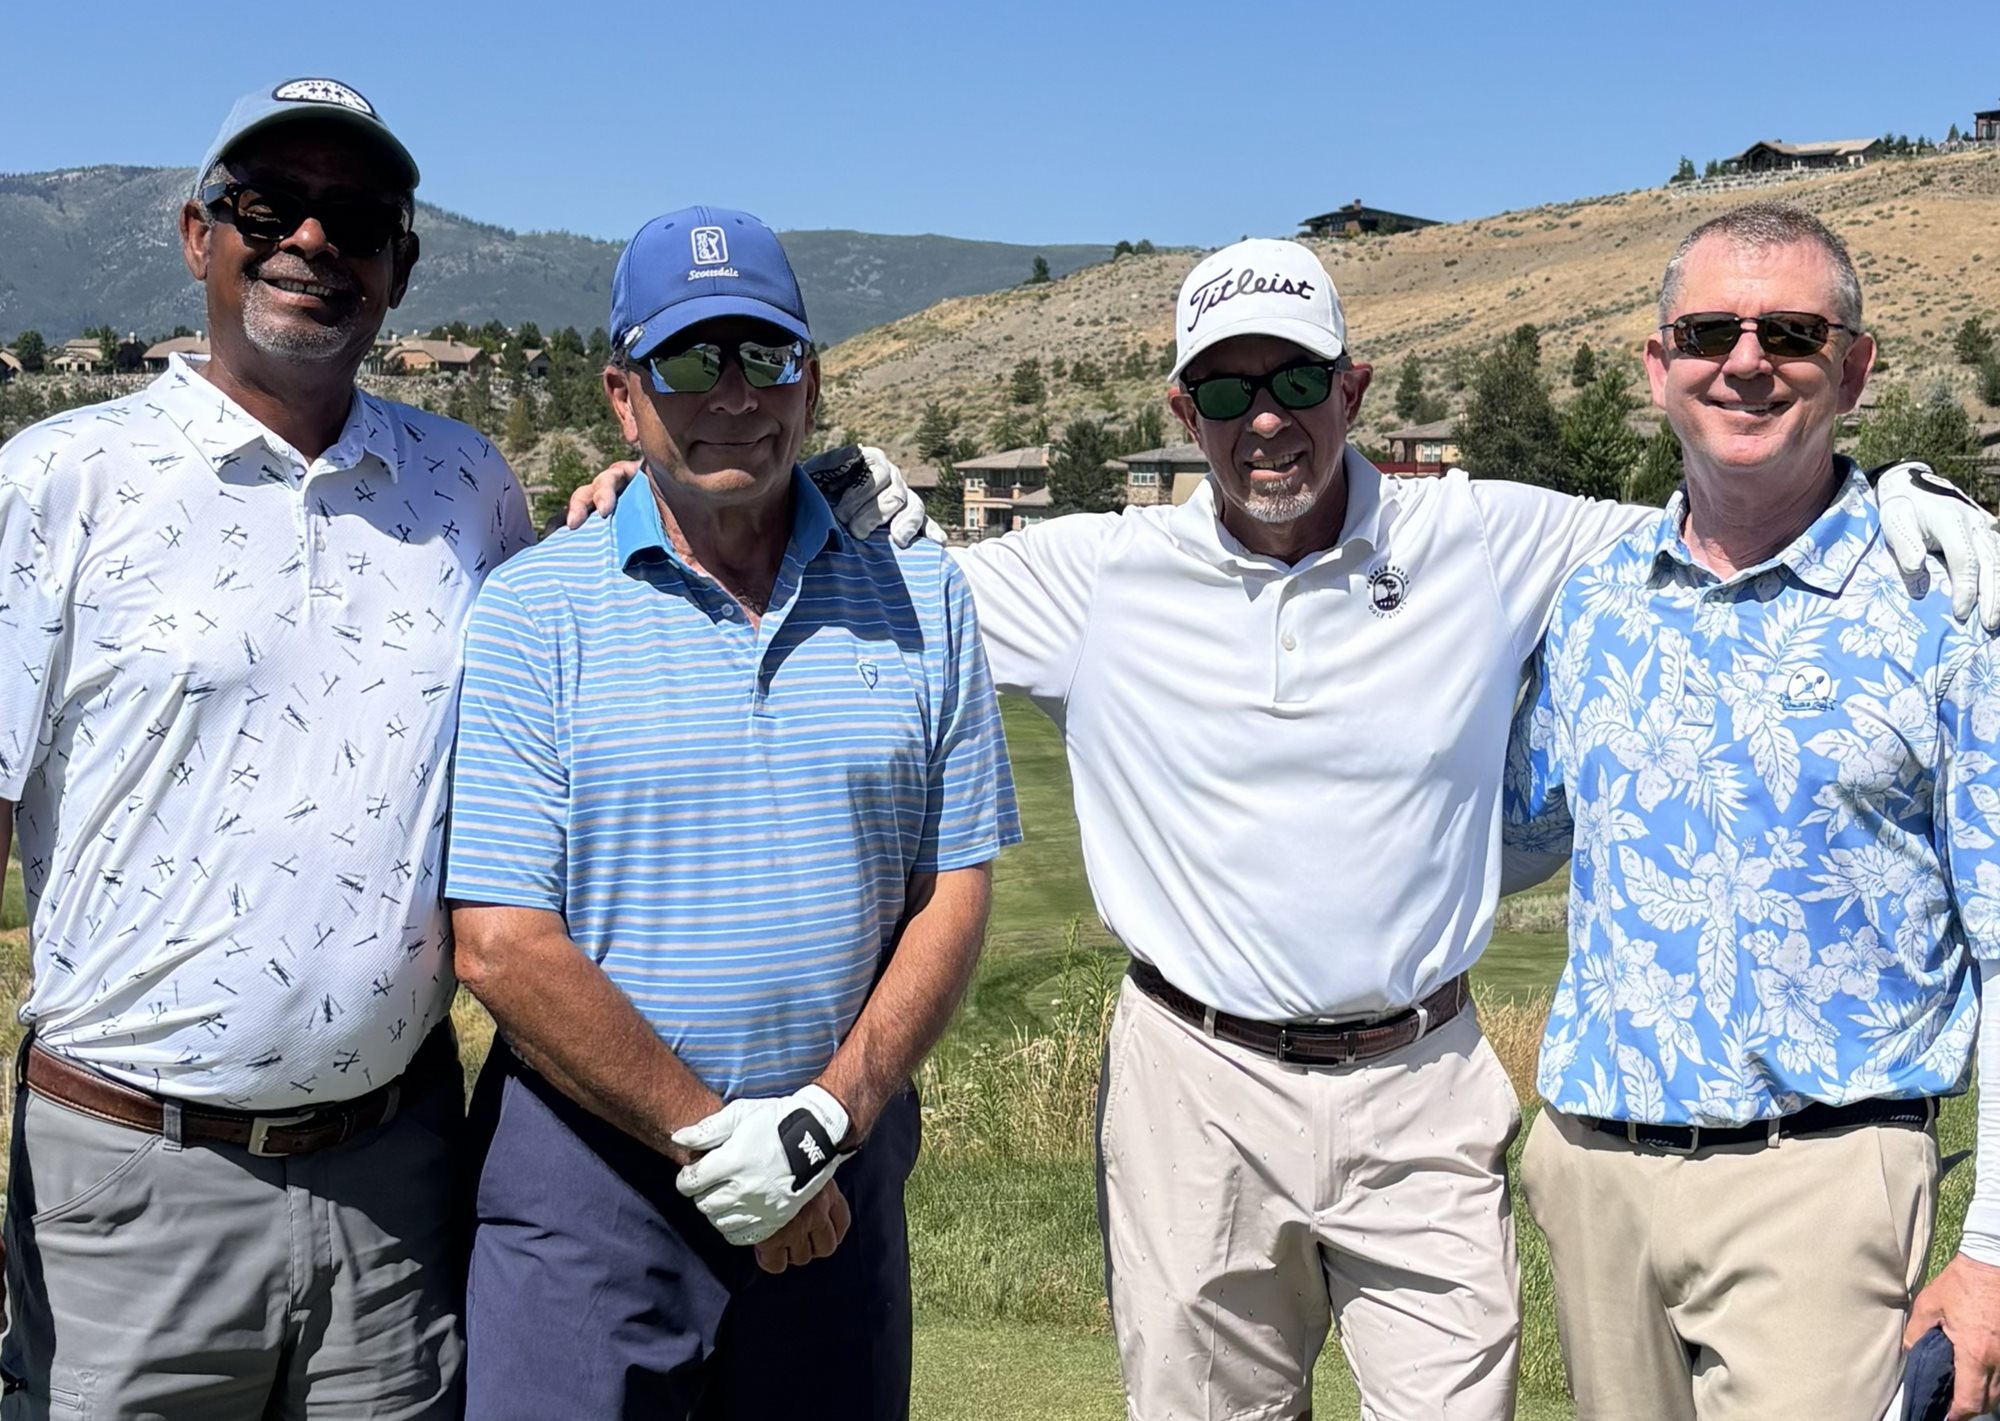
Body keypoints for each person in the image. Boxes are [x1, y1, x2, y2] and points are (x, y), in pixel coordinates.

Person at [570, 232, 2000, 1418]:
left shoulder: (1485, 537)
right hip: (1190, 1083)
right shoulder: (1092, 575)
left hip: (1423, 1079)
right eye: (1226, 387)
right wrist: (656, 490)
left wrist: (1899, 496)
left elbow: (1724, 502)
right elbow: (831, 574)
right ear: (1180, 408)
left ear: (1353, 386)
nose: (1266, 418)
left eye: (1299, 379)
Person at [0, 78, 531, 1417]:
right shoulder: (59, 480)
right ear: (199, 237)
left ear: (400, 267)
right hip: (129, 1182)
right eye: (267, 205)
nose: (310, 239)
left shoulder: (470, 487)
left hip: (395, 1183)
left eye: (355, 219)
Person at [444, 205, 1020, 1420]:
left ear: (810, 382)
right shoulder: (532, 610)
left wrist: (823, 1122)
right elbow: (499, 942)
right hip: (590, 1186)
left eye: (765, 354)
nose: (734, 393)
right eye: (689, 360)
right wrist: (716, 1142)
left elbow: (952, 888)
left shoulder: (920, 591)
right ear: (622, 395)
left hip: (837, 1174)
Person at [1505, 200, 2000, 1420]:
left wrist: (1991, 1250)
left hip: (1819, 1181)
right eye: (1705, 332)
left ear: (1854, 368)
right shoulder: (1593, 602)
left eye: (1788, 332)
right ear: (1655, 367)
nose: (1743, 362)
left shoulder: (1946, 604)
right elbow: (1510, 839)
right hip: (1595, 1172)